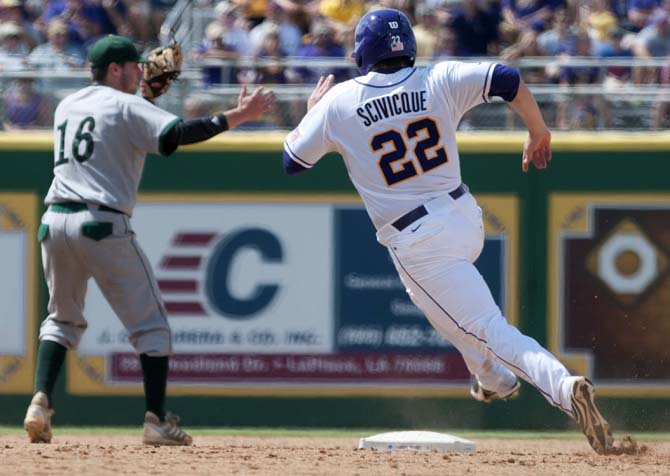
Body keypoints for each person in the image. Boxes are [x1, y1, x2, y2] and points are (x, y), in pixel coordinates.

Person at [282, 9, 615, 455]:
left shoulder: (339, 101)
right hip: (463, 216)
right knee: (460, 319)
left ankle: (564, 387)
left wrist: (313, 113)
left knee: (484, 326)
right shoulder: (437, 78)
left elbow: (292, 162)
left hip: (417, 239)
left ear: (362, 51)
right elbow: (507, 77)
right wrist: (537, 130)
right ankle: (493, 380)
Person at [23, 35, 275, 445]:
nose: (143, 71)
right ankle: (156, 420)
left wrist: (147, 99)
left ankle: (40, 401)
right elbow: (178, 135)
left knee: (61, 320)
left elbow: (119, 127)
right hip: (102, 224)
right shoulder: (128, 104)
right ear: (115, 70)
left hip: (54, 223)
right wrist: (237, 115)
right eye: (135, 66)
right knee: (152, 328)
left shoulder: (67, 105)